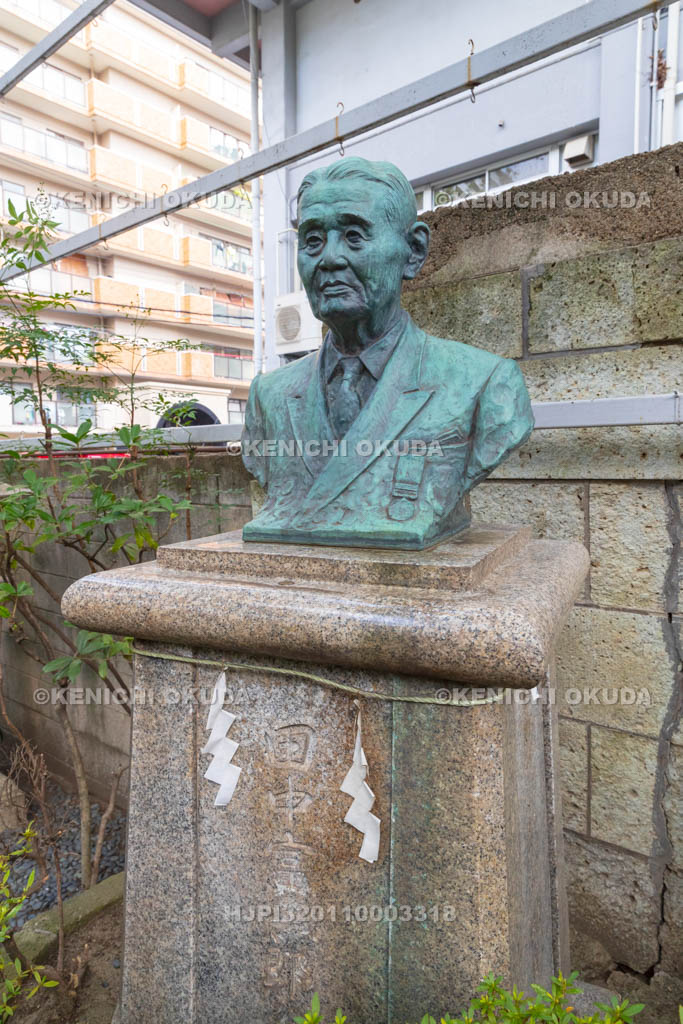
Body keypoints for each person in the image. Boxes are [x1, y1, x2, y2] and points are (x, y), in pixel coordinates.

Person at [241, 156, 533, 550]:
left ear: (413, 251)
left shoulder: (486, 384)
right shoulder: (268, 396)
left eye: (354, 236)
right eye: (312, 240)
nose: (329, 258)